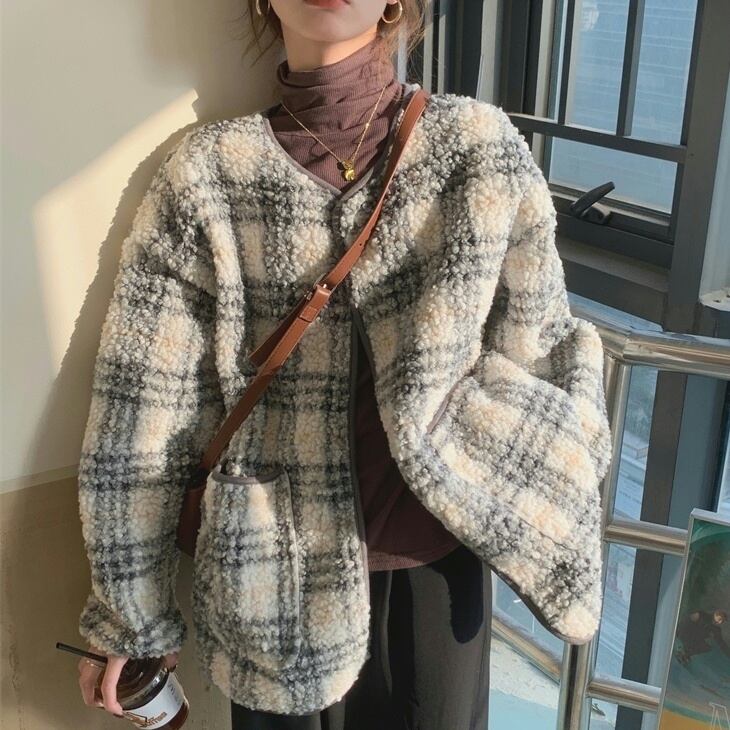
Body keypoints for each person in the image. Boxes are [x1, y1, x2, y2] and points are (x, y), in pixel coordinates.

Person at [76, 0, 613, 727]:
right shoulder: (206, 175)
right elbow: (142, 408)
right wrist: (128, 615)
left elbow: (544, 349)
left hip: (437, 572)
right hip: (268, 581)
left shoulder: (477, 150)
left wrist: (504, 475)